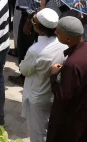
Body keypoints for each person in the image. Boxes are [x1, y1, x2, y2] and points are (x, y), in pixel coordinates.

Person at [46, 16, 87, 142]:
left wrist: (54, 75)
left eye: (58, 31)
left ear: (68, 38)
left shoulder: (72, 64)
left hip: (71, 118)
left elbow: (62, 96)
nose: (55, 32)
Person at [18, 8, 68, 142]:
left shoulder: (36, 50)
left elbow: (23, 70)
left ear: (39, 28)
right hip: (52, 93)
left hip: (38, 95)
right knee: (48, 129)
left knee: (37, 133)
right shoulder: (63, 44)